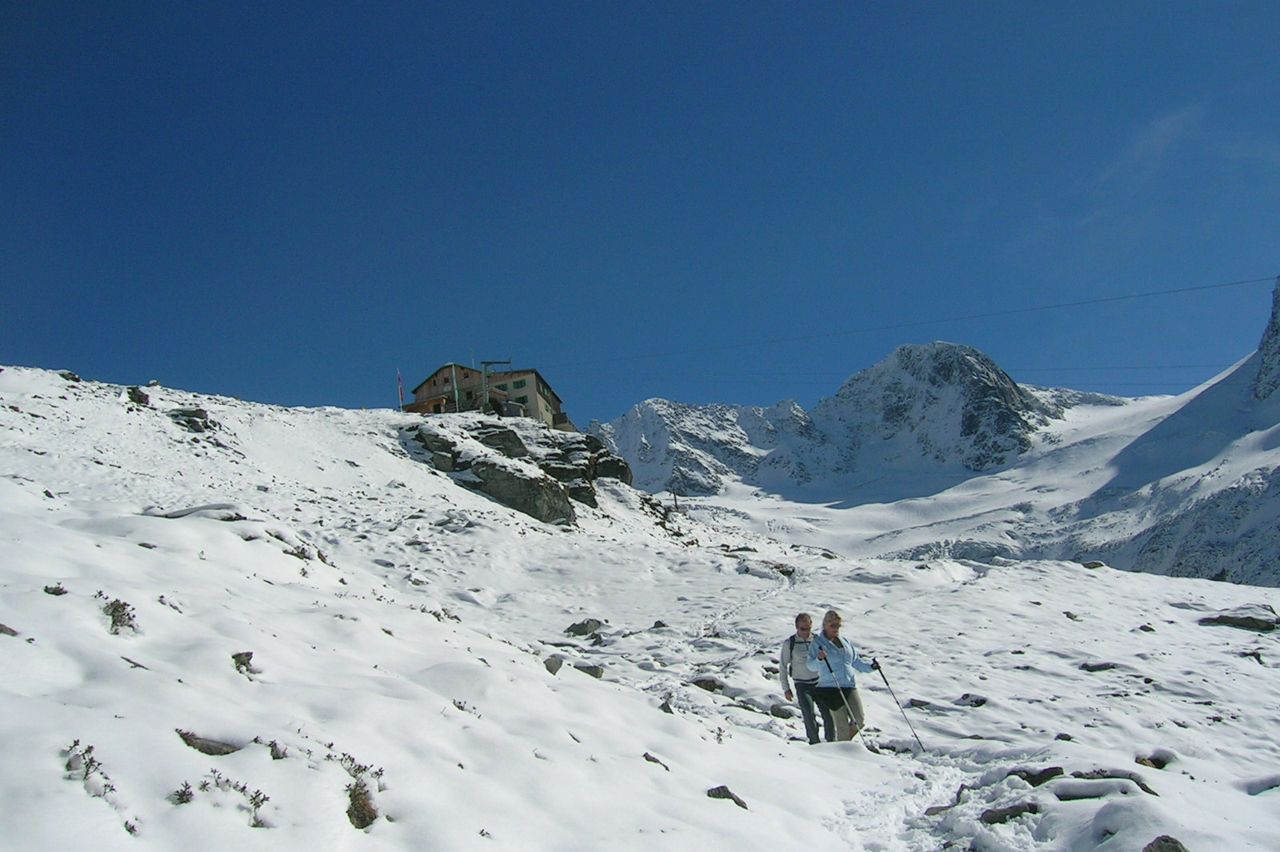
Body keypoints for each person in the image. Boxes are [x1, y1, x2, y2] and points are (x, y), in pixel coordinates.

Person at [808, 609, 879, 741]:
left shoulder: (845, 642)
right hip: (830, 687)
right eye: (832, 625)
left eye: (838, 625)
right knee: (842, 725)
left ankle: (843, 743)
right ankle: (844, 747)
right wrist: (819, 659)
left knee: (859, 720)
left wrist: (871, 667)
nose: (836, 628)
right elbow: (810, 665)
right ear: (825, 625)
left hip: (849, 685)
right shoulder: (818, 643)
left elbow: (855, 662)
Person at [779, 612, 834, 744]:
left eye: (808, 628)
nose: (806, 632)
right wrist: (786, 689)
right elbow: (783, 666)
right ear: (796, 628)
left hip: (820, 682)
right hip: (801, 684)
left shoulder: (817, 641)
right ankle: (815, 743)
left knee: (829, 714)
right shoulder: (790, 643)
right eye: (802, 629)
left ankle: (832, 742)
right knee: (809, 715)